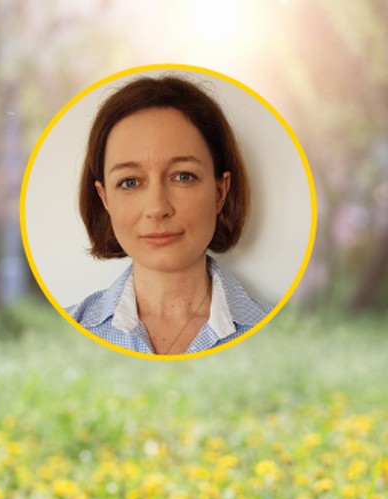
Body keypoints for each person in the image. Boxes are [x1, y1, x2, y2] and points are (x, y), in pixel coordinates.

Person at [64, 75, 270, 355]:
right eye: (130, 182)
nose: (157, 208)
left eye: (183, 176)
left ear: (220, 192)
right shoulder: (62, 333)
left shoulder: (282, 333)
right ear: (105, 198)